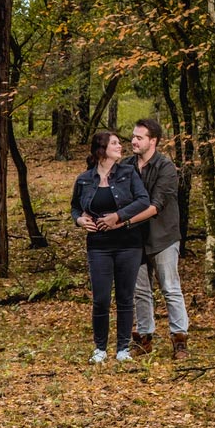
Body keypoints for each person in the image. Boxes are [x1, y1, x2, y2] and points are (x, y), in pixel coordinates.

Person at [98, 118, 190, 360]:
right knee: (140, 290)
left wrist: (123, 220)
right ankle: (144, 338)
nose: (134, 141)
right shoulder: (126, 166)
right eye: (133, 137)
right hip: (133, 239)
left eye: (139, 137)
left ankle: (179, 340)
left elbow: (156, 206)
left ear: (153, 141)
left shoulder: (166, 168)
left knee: (170, 288)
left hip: (163, 236)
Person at [71, 131, 149, 363]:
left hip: (128, 243)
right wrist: (80, 220)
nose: (120, 146)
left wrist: (118, 216)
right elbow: (75, 208)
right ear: (101, 149)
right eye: (114, 143)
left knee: (126, 297)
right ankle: (100, 348)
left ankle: (123, 348)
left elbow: (143, 200)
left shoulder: (128, 173)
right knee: (101, 298)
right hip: (98, 246)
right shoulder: (84, 179)